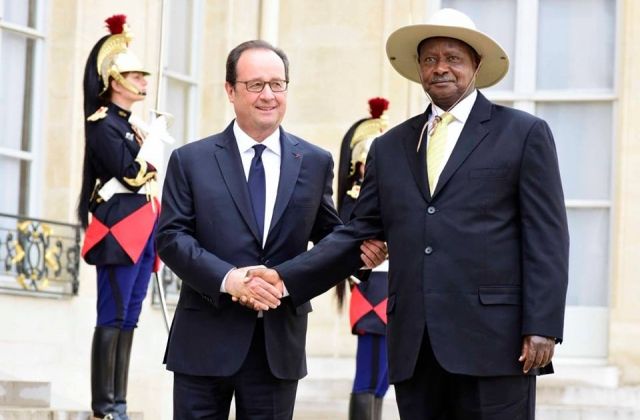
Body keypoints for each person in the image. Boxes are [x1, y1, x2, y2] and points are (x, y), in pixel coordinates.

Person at [246, 8, 570, 420]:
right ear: (419, 69)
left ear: (476, 64)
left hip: (496, 346)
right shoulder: (390, 146)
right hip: (415, 350)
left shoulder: (524, 134)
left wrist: (543, 325)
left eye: (453, 58)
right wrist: (283, 277)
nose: (440, 68)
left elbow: (548, 237)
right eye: (430, 59)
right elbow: (355, 235)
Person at [155, 40, 386, 420]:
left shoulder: (314, 162)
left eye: (277, 84)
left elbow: (332, 236)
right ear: (230, 90)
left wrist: (363, 253)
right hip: (204, 341)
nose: (268, 95)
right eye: (255, 84)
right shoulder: (190, 160)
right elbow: (172, 238)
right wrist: (231, 280)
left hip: (278, 344)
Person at [78, 15, 162, 420]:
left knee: (130, 316)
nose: (143, 81)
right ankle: (104, 406)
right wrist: (152, 150)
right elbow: (131, 175)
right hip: (117, 230)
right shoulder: (103, 125)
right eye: (135, 75)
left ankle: (120, 404)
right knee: (111, 315)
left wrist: (150, 145)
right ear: (115, 80)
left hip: (142, 227)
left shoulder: (132, 127)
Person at [335, 97, 391, 420]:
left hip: (393, 284)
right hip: (371, 286)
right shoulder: (354, 200)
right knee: (369, 372)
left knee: (383, 375)